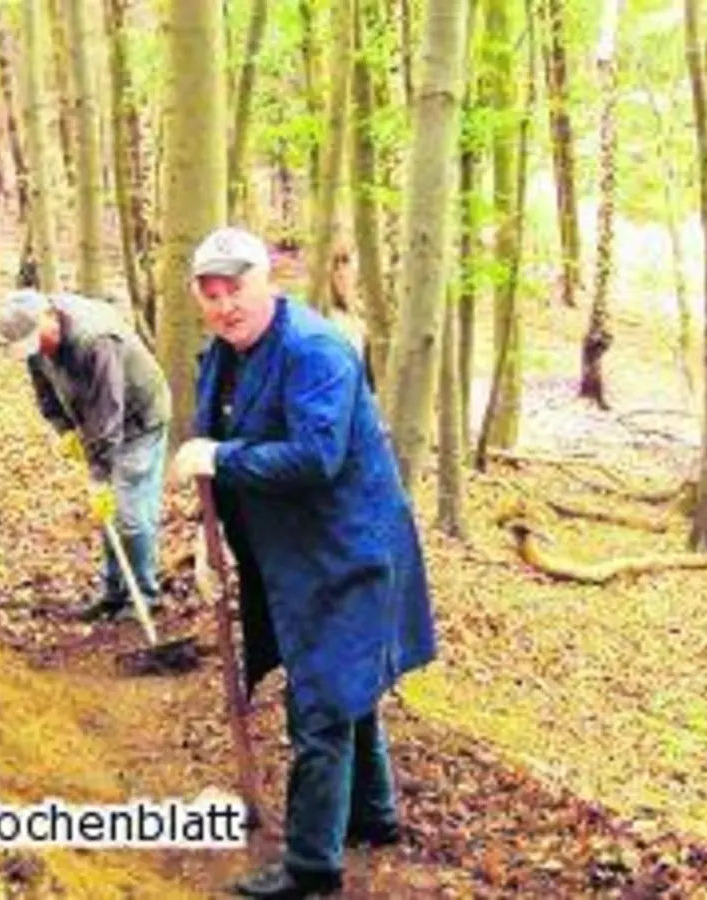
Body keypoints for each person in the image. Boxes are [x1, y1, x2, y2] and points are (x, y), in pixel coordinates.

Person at [170, 227, 436, 899]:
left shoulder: (316, 351)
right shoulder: (224, 357)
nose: (225, 305)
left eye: (237, 289)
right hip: (291, 550)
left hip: (349, 548)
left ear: (268, 282)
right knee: (345, 686)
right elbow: (225, 457)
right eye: (212, 293)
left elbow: (316, 457)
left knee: (319, 701)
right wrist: (215, 547)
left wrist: (220, 457)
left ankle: (311, 867)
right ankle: (373, 816)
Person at [0, 289, 173, 622]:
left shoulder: (96, 340)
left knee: (129, 514)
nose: (39, 351)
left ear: (48, 314)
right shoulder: (36, 342)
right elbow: (44, 391)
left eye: (38, 340)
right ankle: (114, 591)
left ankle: (145, 596)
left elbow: (109, 412)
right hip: (99, 421)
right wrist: (63, 429)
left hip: (139, 419)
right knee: (107, 513)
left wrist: (99, 474)